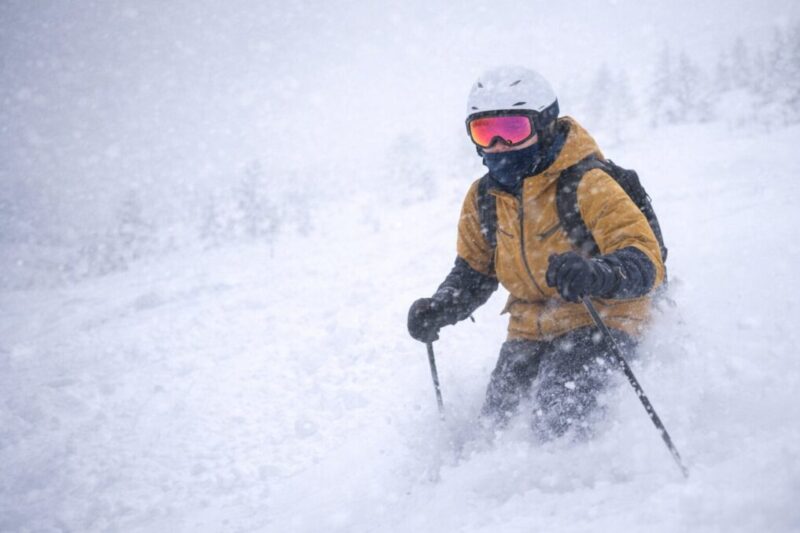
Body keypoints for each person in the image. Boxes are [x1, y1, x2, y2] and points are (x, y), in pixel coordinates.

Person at [407, 66, 665, 440]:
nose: (499, 145)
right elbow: (474, 272)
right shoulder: (484, 198)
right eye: (484, 132)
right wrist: (442, 307)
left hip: (602, 319)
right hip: (530, 329)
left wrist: (597, 274)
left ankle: (585, 492)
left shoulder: (587, 183)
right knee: (495, 430)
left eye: (513, 130)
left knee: (556, 420)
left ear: (543, 126)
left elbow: (644, 258)